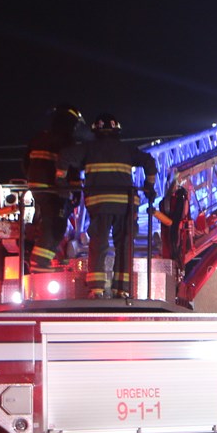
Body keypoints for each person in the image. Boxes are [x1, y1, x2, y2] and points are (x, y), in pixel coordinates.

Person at [59, 114, 159, 299]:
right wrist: (149, 186)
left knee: (98, 244)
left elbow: (65, 156)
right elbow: (150, 162)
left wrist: (61, 181)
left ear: (95, 130)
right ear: (117, 130)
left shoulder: (88, 148)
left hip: (99, 204)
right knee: (124, 245)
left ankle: (96, 289)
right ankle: (122, 289)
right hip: (126, 205)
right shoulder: (126, 149)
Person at [22, 105, 89, 271]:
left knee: (49, 223)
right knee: (56, 225)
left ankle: (42, 261)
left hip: (37, 188)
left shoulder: (38, 138)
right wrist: (74, 192)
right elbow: (71, 168)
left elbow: (25, 163)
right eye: (74, 124)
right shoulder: (66, 142)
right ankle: (39, 262)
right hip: (54, 190)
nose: (75, 128)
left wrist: (32, 181)